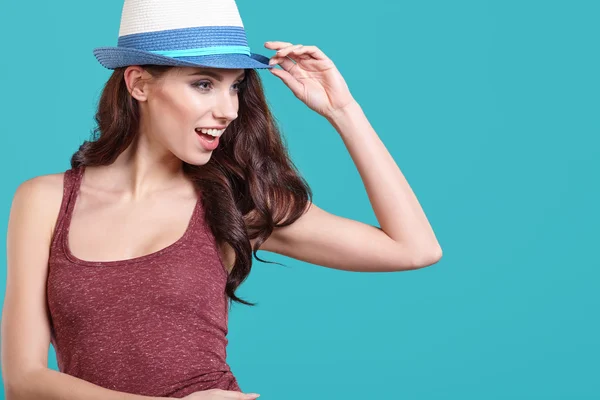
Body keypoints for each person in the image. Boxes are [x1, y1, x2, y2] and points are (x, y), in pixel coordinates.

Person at [1, 0, 442, 399]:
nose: (229, 109)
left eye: (235, 86)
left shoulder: (234, 201)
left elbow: (414, 248)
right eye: (204, 84)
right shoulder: (44, 201)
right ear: (138, 84)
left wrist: (343, 111)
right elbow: (22, 380)